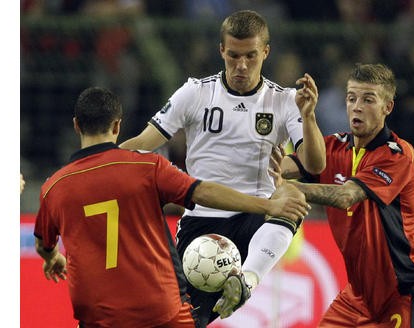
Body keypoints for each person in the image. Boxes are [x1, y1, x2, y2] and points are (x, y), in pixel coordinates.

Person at [33, 87, 310, 328]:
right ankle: (250, 277)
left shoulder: (54, 188)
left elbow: (43, 244)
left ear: (76, 125)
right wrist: (266, 204)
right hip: (160, 311)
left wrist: (53, 258)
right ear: (117, 126)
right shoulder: (146, 166)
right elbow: (203, 192)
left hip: (100, 317)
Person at [119, 9, 325, 325]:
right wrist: (96, 162)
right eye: (233, 56)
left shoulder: (285, 100)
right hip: (203, 222)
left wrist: (309, 118)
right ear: (221, 51)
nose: (241, 65)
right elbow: (144, 141)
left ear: (266, 52)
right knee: (182, 321)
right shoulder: (195, 92)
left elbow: (315, 164)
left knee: (290, 202)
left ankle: (246, 280)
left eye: (251, 56)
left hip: (258, 215)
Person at [279, 63, 414, 327]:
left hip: (403, 289)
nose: (357, 106)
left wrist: (287, 189)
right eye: (352, 98)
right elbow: (281, 169)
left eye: (368, 99)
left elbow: (346, 197)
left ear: (388, 107)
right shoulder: (332, 147)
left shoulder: (398, 154)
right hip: (358, 295)